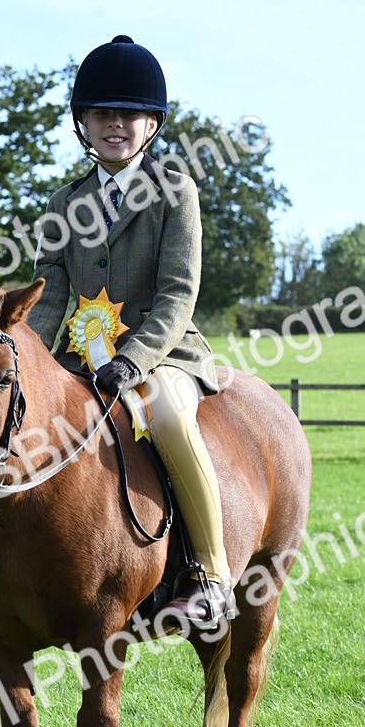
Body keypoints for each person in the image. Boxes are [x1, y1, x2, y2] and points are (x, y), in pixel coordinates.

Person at [27, 35, 236, 624]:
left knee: (165, 415)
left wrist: (135, 359)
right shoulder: (63, 204)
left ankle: (212, 573)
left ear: (152, 125)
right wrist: (28, 357)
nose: (114, 125)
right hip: (80, 356)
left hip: (163, 355)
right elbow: (49, 295)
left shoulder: (175, 192)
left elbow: (177, 296)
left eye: (128, 114)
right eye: (102, 114)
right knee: (16, 418)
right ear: (83, 124)